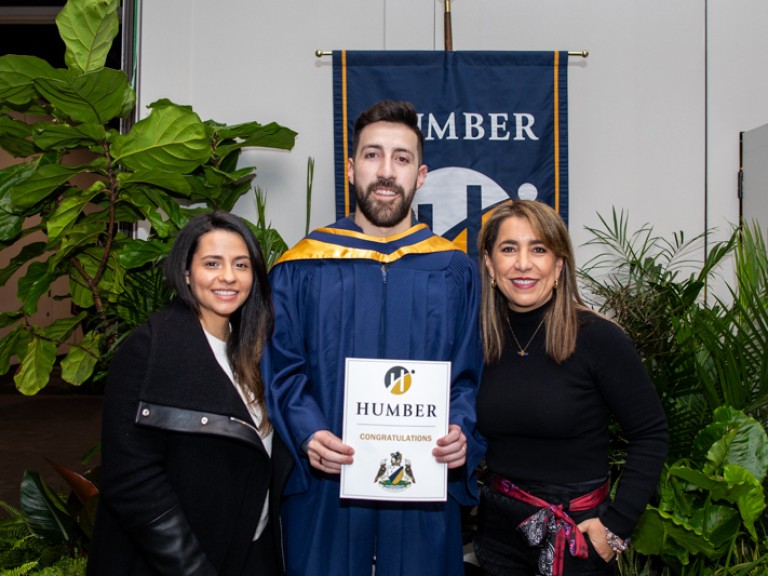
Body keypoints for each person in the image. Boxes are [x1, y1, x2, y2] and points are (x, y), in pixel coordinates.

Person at [264, 100, 484, 576]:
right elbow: (281, 368)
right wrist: (307, 433)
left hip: (423, 485)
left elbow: (468, 375)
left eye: (401, 158)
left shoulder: (453, 270)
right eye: (372, 155)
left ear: (420, 175)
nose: (387, 171)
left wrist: (460, 430)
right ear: (350, 168)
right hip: (327, 485)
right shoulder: (302, 266)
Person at [87, 211, 293, 576]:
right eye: (212, 263)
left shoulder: (254, 353)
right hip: (180, 563)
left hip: (250, 553)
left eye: (241, 265)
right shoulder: (150, 347)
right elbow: (130, 480)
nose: (228, 276)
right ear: (186, 272)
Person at [472, 200, 668, 576]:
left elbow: (651, 433)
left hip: (577, 537)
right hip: (498, 534)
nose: (523, 263)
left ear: (559, 265)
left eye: (539, 249)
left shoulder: (599, 338)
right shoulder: (479, 342)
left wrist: (616, 527)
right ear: (490, 265)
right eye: (509, 249)